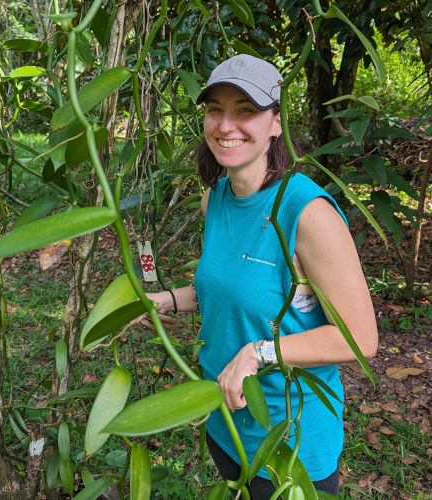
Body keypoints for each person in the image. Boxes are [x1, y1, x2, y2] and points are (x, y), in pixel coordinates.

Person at [148, 54, 378, 498]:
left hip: (288, 442)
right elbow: (227, 289)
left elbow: (360, 338)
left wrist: (258, 352)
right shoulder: (214, 196)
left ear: (276, 124)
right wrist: (165, 301)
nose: (226, 124)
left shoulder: (307, 214)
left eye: (246, 111)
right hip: (225, 420)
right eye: (215, 109)